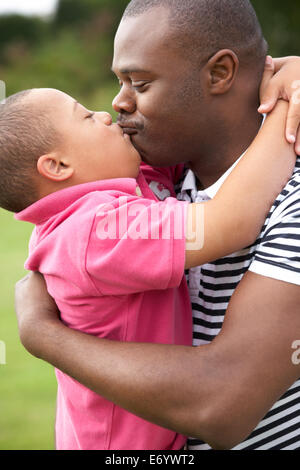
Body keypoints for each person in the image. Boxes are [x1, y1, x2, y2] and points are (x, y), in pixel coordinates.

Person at [15, 0, 300, 450]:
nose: (116, 103)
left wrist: (44, 335)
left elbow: (221, 407)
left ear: (220, 74)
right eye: (120, 81)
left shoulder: (290, 204)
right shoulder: (148, 184)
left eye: (140, 83)